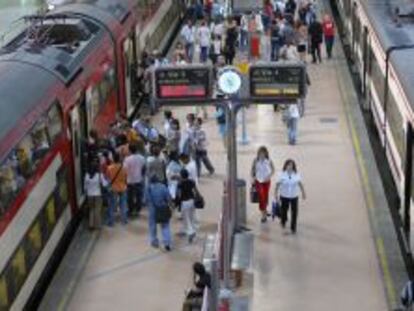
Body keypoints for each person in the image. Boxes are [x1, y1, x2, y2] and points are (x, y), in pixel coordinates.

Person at [275, 159, 306, 234]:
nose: (290, 166)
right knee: (284, 210)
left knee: (294, 212)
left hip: (294, 196)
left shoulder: (296, 174)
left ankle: (293, 227)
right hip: (284, 196)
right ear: (285, 166)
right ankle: (283, 220)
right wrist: (275, 194)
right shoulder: (281, 174)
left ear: (293, 166)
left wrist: (303, 193)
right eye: (288, 165)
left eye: (291, 165)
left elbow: (300, 184)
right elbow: (277, 185)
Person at [146, 175, 172, 251]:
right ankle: (167, 243)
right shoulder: (163, 187)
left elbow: (146, 199)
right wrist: (171, 206)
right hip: (163, 208)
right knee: (165, 226)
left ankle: (154, 241)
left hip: (153, 209)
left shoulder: (149, 188)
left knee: (152, 226)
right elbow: (168, 198)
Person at [251, 146, 275, 222]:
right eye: (260, 153)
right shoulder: (255, 161)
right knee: (261, 196)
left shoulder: (269, 160)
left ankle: (265, 209)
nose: (262, 155)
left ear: (265, 154)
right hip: (258, 181)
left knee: (265, 196)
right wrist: (253, 178)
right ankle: (263, 214)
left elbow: (273, 170)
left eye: (263, 153)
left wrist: (269, 176)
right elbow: (252, 170)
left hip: (266, 181)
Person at [176, 169, 199, 243]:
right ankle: (193, 230)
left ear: (181, 175)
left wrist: (177, 203)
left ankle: (190, 232)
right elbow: (196, 191)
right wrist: (198, 197)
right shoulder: (192, 182)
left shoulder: (180, 184)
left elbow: (179, 195)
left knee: (186, 219)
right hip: (192, 201)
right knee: (191, 217)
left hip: (184, 202)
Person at [106, 153, 128, 226]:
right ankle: (124, 221)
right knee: (123, 204)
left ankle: (111, 222)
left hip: (113, 188)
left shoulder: (109, 168)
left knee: (112, 205)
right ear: (119, 159)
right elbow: (126, 178)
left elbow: (107, 178)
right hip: (123, 187)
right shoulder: (124, 167)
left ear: (113, 159)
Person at [124, 143, 145, 217]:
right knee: (139, 196)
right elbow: (143, 168)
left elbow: (125, 170)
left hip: (129, 180)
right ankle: (137, 210)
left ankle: (130, 210)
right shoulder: (142, 158)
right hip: (138, 180)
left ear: (129, 150)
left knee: (130, 197)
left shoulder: (127, 159)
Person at [84, 163, 106, 229]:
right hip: (97, 195)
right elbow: (104, 184)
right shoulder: (100, 175)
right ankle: (98, 225)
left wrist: (87, 192)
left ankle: (91, 225)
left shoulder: (87, 175)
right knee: (97, 210)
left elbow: (85, 187)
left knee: (91, 210)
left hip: (89, 195)